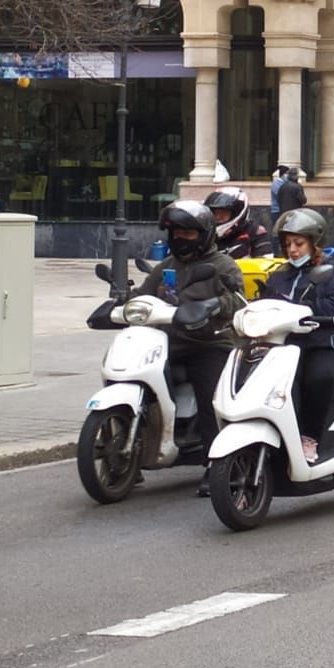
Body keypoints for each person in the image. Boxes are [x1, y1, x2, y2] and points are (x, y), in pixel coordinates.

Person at [132, 201, 247, 494]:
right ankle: (131, 454)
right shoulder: (167, 266)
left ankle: (215, 462)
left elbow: (238, 300)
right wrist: (123, 300)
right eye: (176, 233)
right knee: (135, 377)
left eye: (188, 233)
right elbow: (144, 294)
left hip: (209, 342)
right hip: (169, 341)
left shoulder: (223, 265)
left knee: (210, 395)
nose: (180, 239)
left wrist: (214, 305)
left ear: (205, 234)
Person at [259, 208, 334, 464]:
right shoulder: (280, 275)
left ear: (314, 243)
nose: (292, 250)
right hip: (286, 347)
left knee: (316, 379)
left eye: (299, 243)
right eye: (288, 244)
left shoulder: (333, 272)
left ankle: (310, 438)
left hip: (325, 345)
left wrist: (303, 311)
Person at [206, 187, 275, 259]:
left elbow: (265, 260)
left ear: (238, 213)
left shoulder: (255, 231)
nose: (218, 216)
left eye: (224, 212)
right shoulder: (206, 233)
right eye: (215, 212)